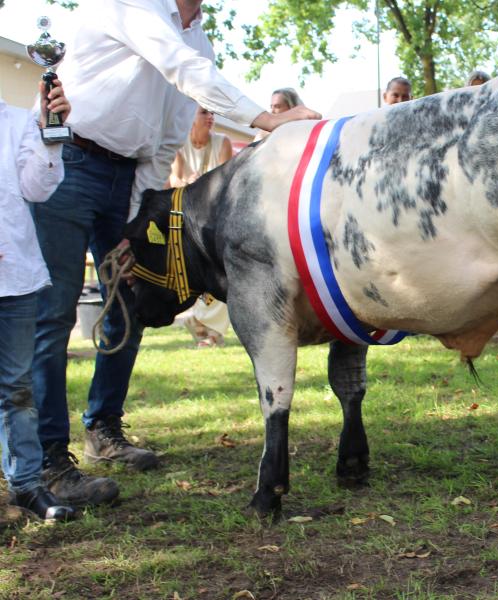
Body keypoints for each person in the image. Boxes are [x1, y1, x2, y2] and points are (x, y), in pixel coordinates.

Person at [31, 0, 321, 507]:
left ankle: (103, 429)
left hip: (126, 177)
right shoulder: (132, 6)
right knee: (53, 315)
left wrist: (135, 216)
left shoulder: (199, 36)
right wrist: (263, 119)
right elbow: (181, 68)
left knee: (130, 303)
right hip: (70, 162)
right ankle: (48, 457)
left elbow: (167, 138)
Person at [0, 79, 78, 521]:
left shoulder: (18, 121)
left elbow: (38, 189)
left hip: (15, 277)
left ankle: (26, 485)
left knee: (17, 388)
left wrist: (53, 134)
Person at [170, 105, 233, 348]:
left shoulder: (222, 142)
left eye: (212, 113)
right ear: (191, 117)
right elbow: (174, 179)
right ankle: (200, 324)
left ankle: (211, 331)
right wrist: (187, 181)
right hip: (188, 220)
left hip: (215, 221)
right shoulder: (179, 145)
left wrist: (202, 183)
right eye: (204, 113)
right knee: (194, 273)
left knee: (220, 271)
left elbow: (225, 178)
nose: (210, 117)